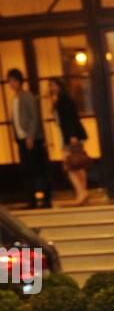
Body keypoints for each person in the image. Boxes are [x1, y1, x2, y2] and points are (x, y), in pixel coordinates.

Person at [6, 68, 52, 210]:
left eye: (14, 80)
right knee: (27, 170)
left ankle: (45, 199)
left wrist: (30, 135)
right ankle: (31, 199)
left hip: (31, 138)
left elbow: (34, 117)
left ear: (20, 81)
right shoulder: (15, 98)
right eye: (10, 81)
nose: (12, 84)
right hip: (21, 139)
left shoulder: (27, 96)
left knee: (37, 169)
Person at [48, 77, 89, 206]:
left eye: (54, 85)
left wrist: (71, 136)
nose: (52, 88)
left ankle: (81, 193)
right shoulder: (59, 99)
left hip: (71, 136)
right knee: (78, 164)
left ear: (60, 86)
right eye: (51, 86)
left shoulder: (64, 99)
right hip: (70, 136)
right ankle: (83, 193)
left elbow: (71, 118)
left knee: (70, 165)